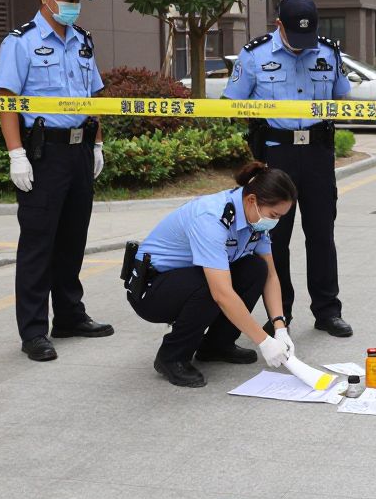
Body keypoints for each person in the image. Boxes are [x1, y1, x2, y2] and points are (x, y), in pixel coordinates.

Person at [0, 0, 113, 363]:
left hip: (79, 151)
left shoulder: (83, 40)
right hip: (44, 154)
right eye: (67, 0)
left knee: (72, 239)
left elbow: (94, 96)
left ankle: (69, 316)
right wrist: (16, 154)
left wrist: (97, 142)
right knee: (38, 244)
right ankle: (33, 331)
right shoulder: (20, 43)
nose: (74, 7)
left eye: (78, 0)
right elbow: (6, 100)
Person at [223, 0, 353, 338]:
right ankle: (281, 313)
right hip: (275, 156)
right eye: (294, 36)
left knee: (321, 234)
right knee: (273, 239)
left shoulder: (327, 51)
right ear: (278, 24)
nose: (301, 45)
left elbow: (342, 95)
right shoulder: (254, 55)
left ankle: (328, 310)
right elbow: (232, 103)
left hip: (317, 155)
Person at [124, 162, 297, 388]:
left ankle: (216, 346)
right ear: (252, 200)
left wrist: (279, 327)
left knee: (256, 269)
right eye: (274, 214)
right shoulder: (211, 218)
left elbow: (271, 276)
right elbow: (221, 293)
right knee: (210, 285)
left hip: (187, 280)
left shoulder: (255, 222)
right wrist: (264, 341)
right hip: (152, 291)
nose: (276, 221)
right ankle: (171, 357)